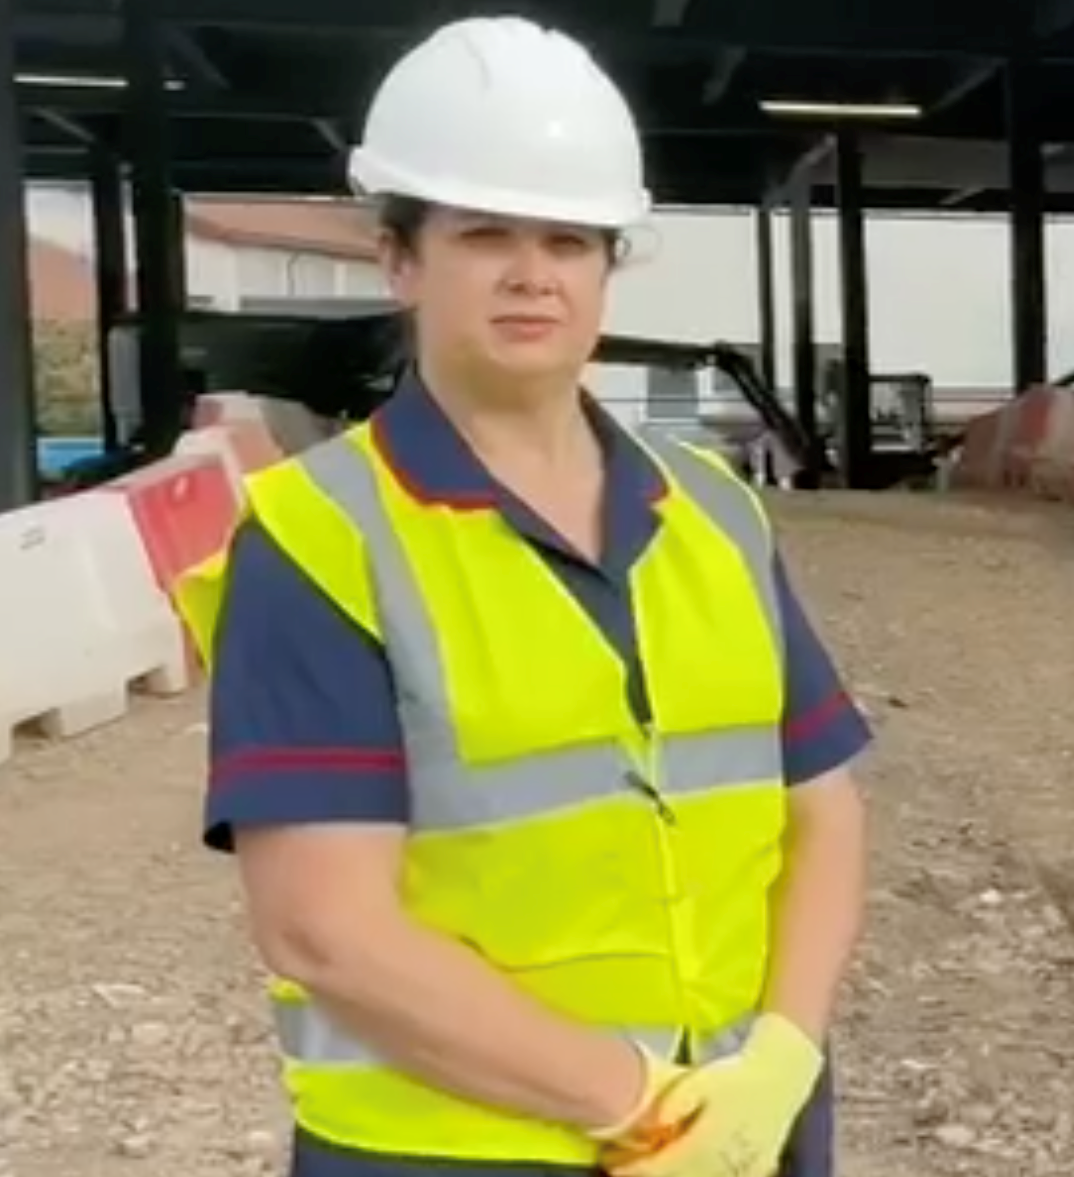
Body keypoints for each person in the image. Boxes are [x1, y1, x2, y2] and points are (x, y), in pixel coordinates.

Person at [177, 16, 871, 1177]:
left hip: (739, 1129)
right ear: (398, 257)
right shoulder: (320, 538)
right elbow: (325, 927)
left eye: (568, 238)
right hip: (458, 1148)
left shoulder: (717, 513)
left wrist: (785, 1057)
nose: (532, 273)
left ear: (611, 262)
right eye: (484, 233)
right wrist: (641, 1104)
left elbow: (824, 808)